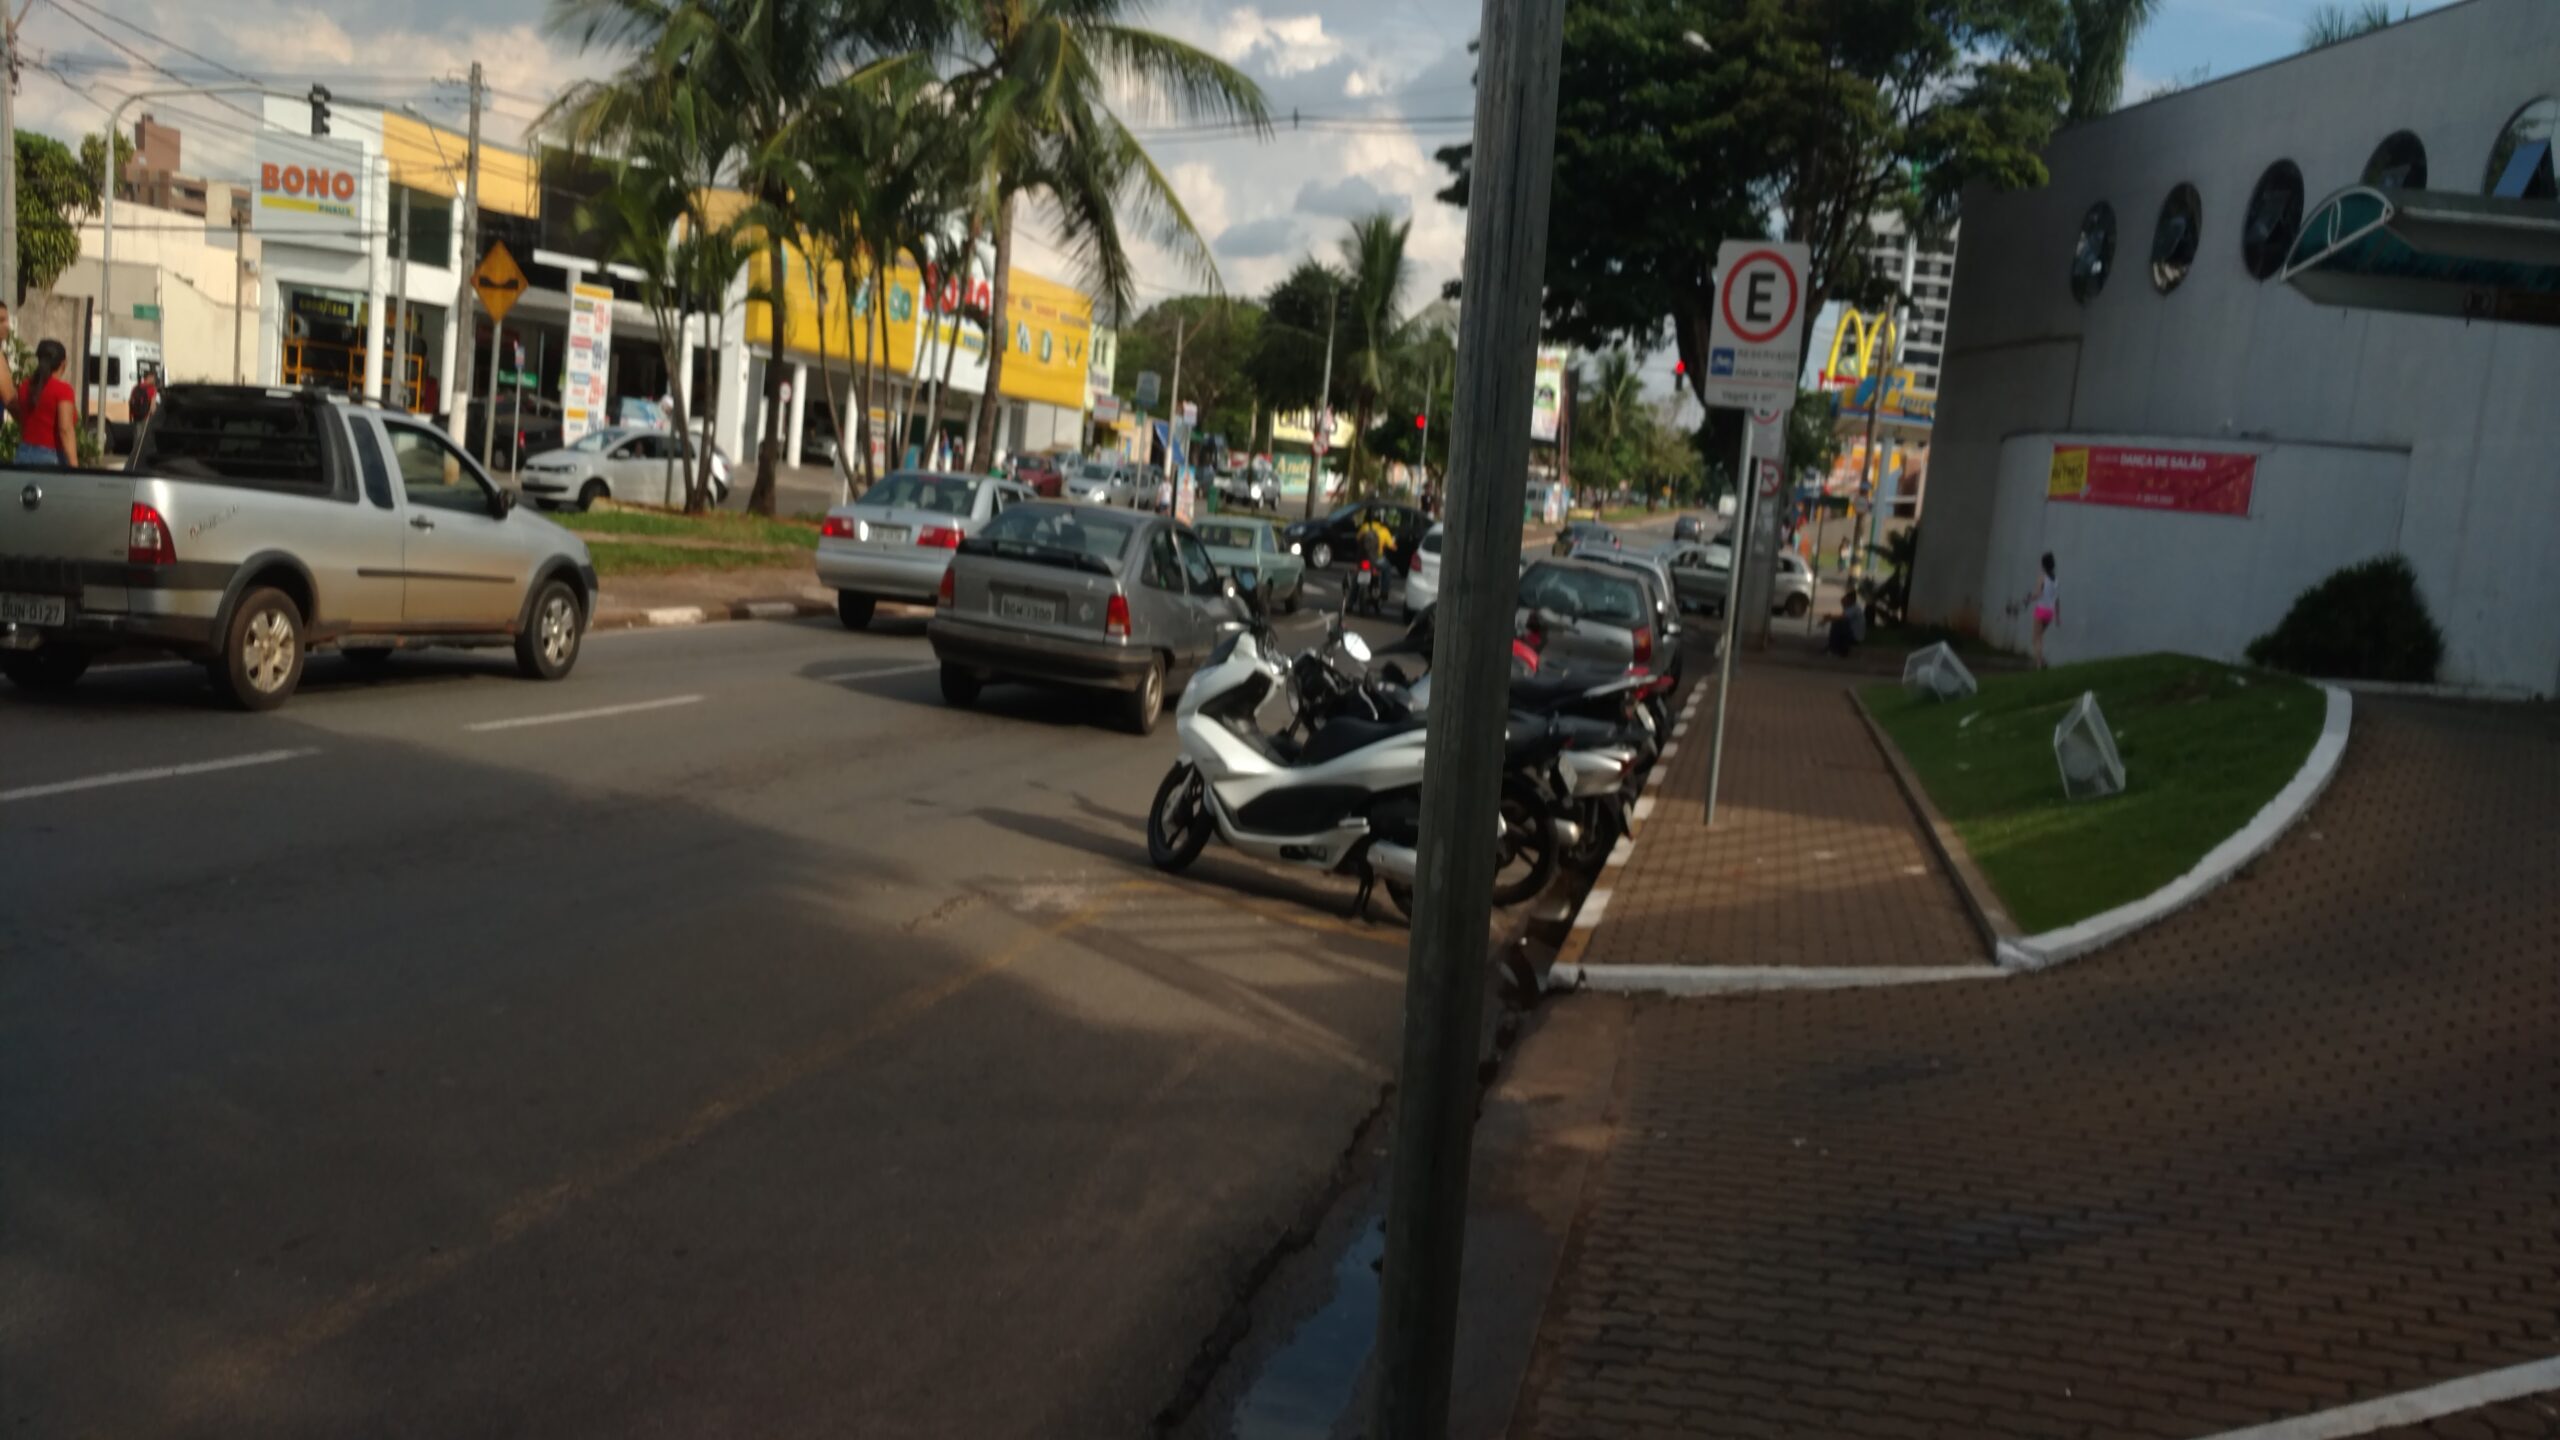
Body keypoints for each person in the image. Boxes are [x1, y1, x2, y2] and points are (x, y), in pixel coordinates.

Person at [15, 338, 79, 467]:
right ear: (63, 363)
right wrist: (74, 464)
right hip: (51, 456)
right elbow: (65, 429)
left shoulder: (25, 386)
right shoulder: (63, 390)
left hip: (23, 452)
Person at [2025, 551, 2060, 668]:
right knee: (2038, 637)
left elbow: (2038, 594)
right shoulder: (2055, 580)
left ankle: (2040, 663)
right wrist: (2057, 617)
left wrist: (2028, 598)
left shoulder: (2042, 578)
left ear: (2043, 565)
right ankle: (2041, 660)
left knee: (2036, 638)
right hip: (2050, 613)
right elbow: (2056, 599)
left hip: (2040, 611)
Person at [130, 364, 160, 435]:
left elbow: (131, 401)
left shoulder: (136, 387)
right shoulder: (152, 389)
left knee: (137, 435)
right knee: (145, 436)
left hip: (136, 416)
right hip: (146, 417)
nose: (155, 380)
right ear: (149, 377)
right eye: (154, 378)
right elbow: (152, 407)